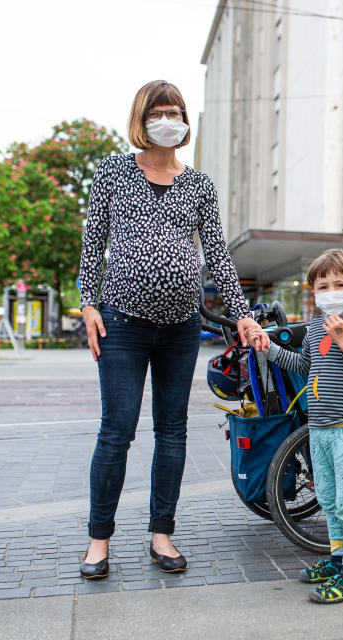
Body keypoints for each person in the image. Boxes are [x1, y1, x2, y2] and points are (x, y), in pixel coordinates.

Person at [77, 80, 269, 580]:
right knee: (116, 432)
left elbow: (218, 256)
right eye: (159, 111)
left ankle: (162, 532)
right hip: (121, 321)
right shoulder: (114, 171)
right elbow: (93, 243)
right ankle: (99, 540)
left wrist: (242, 311)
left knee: (172, 431)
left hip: (182, 326)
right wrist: (87, 303)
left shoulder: (199, 184)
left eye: (177, 111)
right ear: (143, 118)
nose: (169, 118)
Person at [248, 248, 343, 604]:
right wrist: (268, 350)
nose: (330, 291)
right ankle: (338, 559)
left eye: (340, 284)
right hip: (319, 428)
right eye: (323, 286)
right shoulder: (312, 327)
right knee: (327, 497)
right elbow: (303, 364)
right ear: (314, 293)